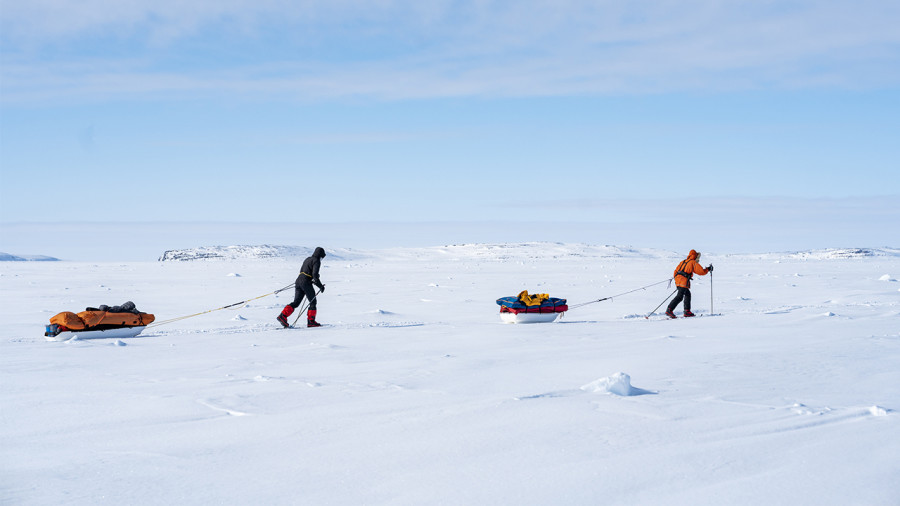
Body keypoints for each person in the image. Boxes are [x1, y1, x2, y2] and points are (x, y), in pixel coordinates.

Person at [277, 247, 326, 328]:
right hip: (306, 282)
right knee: (313, 302)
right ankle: (311, 322)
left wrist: (310, 280)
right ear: (320, 255)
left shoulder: (307, 259)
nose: (321, 259)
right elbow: (315, 275)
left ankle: (282, 316)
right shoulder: (316, 261)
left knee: (296, 302)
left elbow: (305, 272)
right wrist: (320, 286)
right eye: (322, 257)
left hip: (298, 281)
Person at [665, 249, 713, 318]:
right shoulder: (693, 262)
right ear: (695, 256)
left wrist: (677, 281)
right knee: (680, 296)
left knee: (687, 294)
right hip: (683, 281)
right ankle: (670, 310)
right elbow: (701, 272)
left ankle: (687, 311)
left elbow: (675, 271)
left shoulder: (683, 262)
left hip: (678, 280)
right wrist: (708, 269)